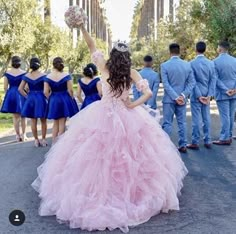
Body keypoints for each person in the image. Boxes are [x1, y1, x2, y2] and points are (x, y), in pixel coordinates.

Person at [32, 19, 188, 233]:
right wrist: (132, 104)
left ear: (113, 55)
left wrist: (82, 28)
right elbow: (149, 93)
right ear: (127, 56)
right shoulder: (131, 72)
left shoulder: (104, 67)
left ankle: (99, 195)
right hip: (128, 115)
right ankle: (130, 196)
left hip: (102, 113)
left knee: (95, 158)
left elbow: (91, 46)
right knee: (132, 158)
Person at [161, 43, 196, 153]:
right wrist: (182, 95)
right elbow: (192, 82)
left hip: (168, 100)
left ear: (169, 52)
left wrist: (175, 97)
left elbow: (166, 84)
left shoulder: (164, 65)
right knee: (182, 122)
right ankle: (183, 145)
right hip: (182, 99)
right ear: (179, 52)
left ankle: (166, 146)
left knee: (167, 123)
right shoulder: (187, 65)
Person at [187, 42, 216, 150]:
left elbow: (192, 81)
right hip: (207, 93)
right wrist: (209, 95)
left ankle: (195, 142)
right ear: (205, 49)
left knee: (196, 119)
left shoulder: (191, 63)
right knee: (206, 118)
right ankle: (208, 140)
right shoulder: (211, 63)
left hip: (196, 94)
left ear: (196, 49)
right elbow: (213, 79)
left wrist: (199, 96)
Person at [44, 57, 79, 143]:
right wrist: (72, 98)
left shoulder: (48, 76)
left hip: (54, 99)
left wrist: (50, 98)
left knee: (55, 122)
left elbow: (45, 92)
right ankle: (60, 144)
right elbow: (70, 90)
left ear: (53, 65)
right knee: (62, 122)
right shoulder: (66, 75)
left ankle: (54, 142)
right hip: (64, 99)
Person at [18, 58, 48, 147]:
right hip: (41, 98)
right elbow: (47, 89)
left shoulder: (27, 76)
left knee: (33, 121)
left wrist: (27, 96)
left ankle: (36, 140)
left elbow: (20, 89)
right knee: (43, 120)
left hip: (31, 98)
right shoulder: (44, 75)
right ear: (39, 64)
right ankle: (43, 139)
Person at [212, 40, 236, 145]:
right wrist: (234, 89)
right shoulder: (234, 60)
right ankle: (229, 135)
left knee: (225, 116)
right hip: (234, 92)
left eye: (218, 47)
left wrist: (226, 90)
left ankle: (225, 138)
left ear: (220, 49)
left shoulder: (215, 62)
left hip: (222, 93)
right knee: (230, 115)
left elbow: (216, 79)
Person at [0, 56, 28, 142]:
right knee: (23, 116)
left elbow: (5, 87)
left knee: (15, 117)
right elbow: (26, 87)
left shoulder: (7, 73)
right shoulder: (24, 73)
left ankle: (17, 135)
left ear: (12, 63)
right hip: (21, 93)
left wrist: (8, 94)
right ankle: (24, 135)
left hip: (12, 94)